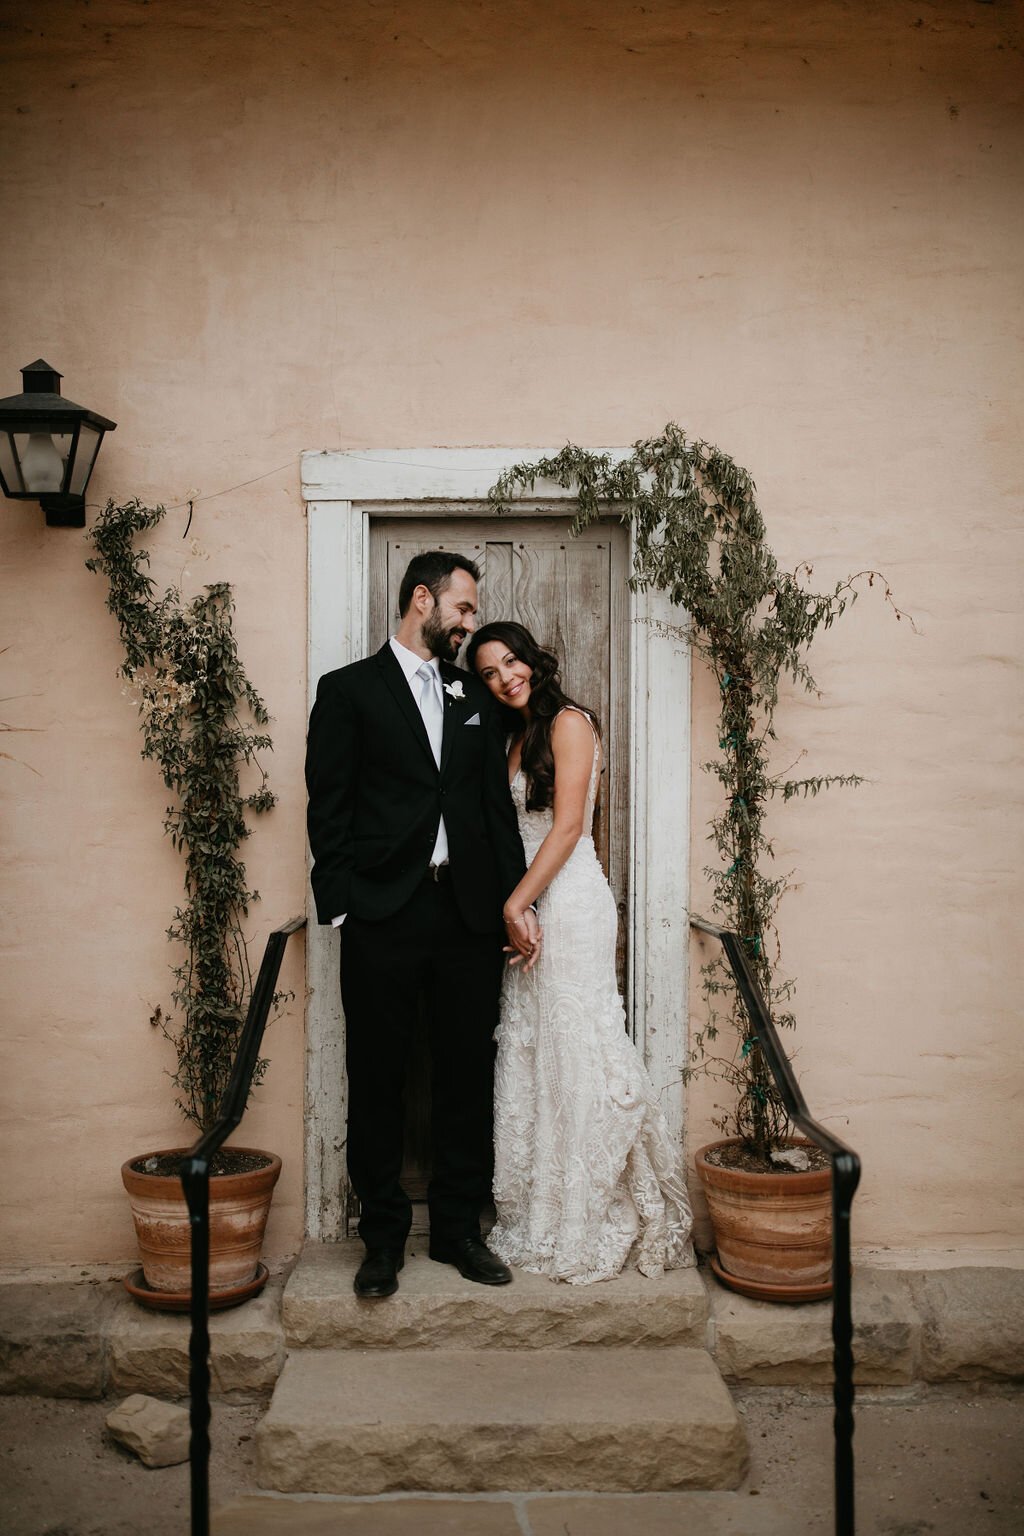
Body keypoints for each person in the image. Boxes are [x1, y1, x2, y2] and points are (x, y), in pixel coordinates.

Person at [305, 554, 539, 1299]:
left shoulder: (474, 693)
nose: (471, 624)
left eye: (473, 613)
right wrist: (341, 902)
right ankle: (381, 1241)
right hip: (383, 912)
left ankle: (458, 1233)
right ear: (421, 600)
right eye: (464, 609)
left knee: (466, 1074)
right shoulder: (347, 692)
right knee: (377, 1075)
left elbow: (491, 809)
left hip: (467, 915)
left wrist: (510, 903)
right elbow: (328, 805)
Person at [466, 621, 695, 1284]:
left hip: (568, 900)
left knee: (578, 1050)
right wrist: (515, 906)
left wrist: (517, 905)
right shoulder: (512, 738)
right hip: (533, 903)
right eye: (489, 671)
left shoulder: (570, 722)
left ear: (533, 660)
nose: (505, 677)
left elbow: (567, 828)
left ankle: (590, 1213)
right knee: (537, 1054)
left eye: (511, 662)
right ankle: (542, 1213)